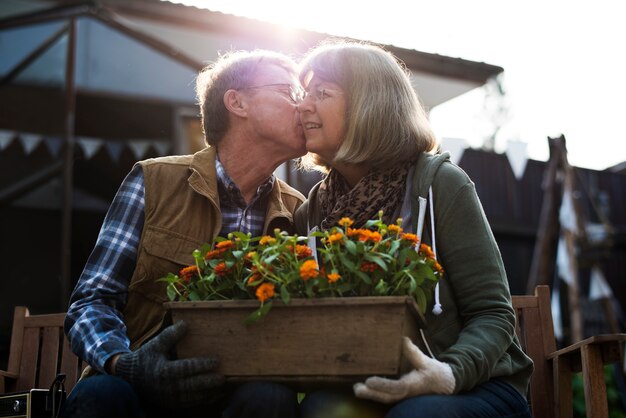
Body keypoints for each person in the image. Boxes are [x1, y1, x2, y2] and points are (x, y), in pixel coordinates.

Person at [61, 49, 307, 418]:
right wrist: (125, 363)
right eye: (289, 92)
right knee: (101, 395)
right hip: (137, 382)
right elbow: (92, 300)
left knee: (270, 397)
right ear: (236, 102)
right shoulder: (153, 180)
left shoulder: (299, 209)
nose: (302, 107)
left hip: (235, 386)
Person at [294, 41, 534, 418]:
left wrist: (448, 372)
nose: (303, 105)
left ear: (367, 105)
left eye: (321, 92)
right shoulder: (312, 211)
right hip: (375, 386)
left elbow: (493, 312)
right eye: (304, 94)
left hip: (475, 384)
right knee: (321, 410)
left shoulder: (439, 185)